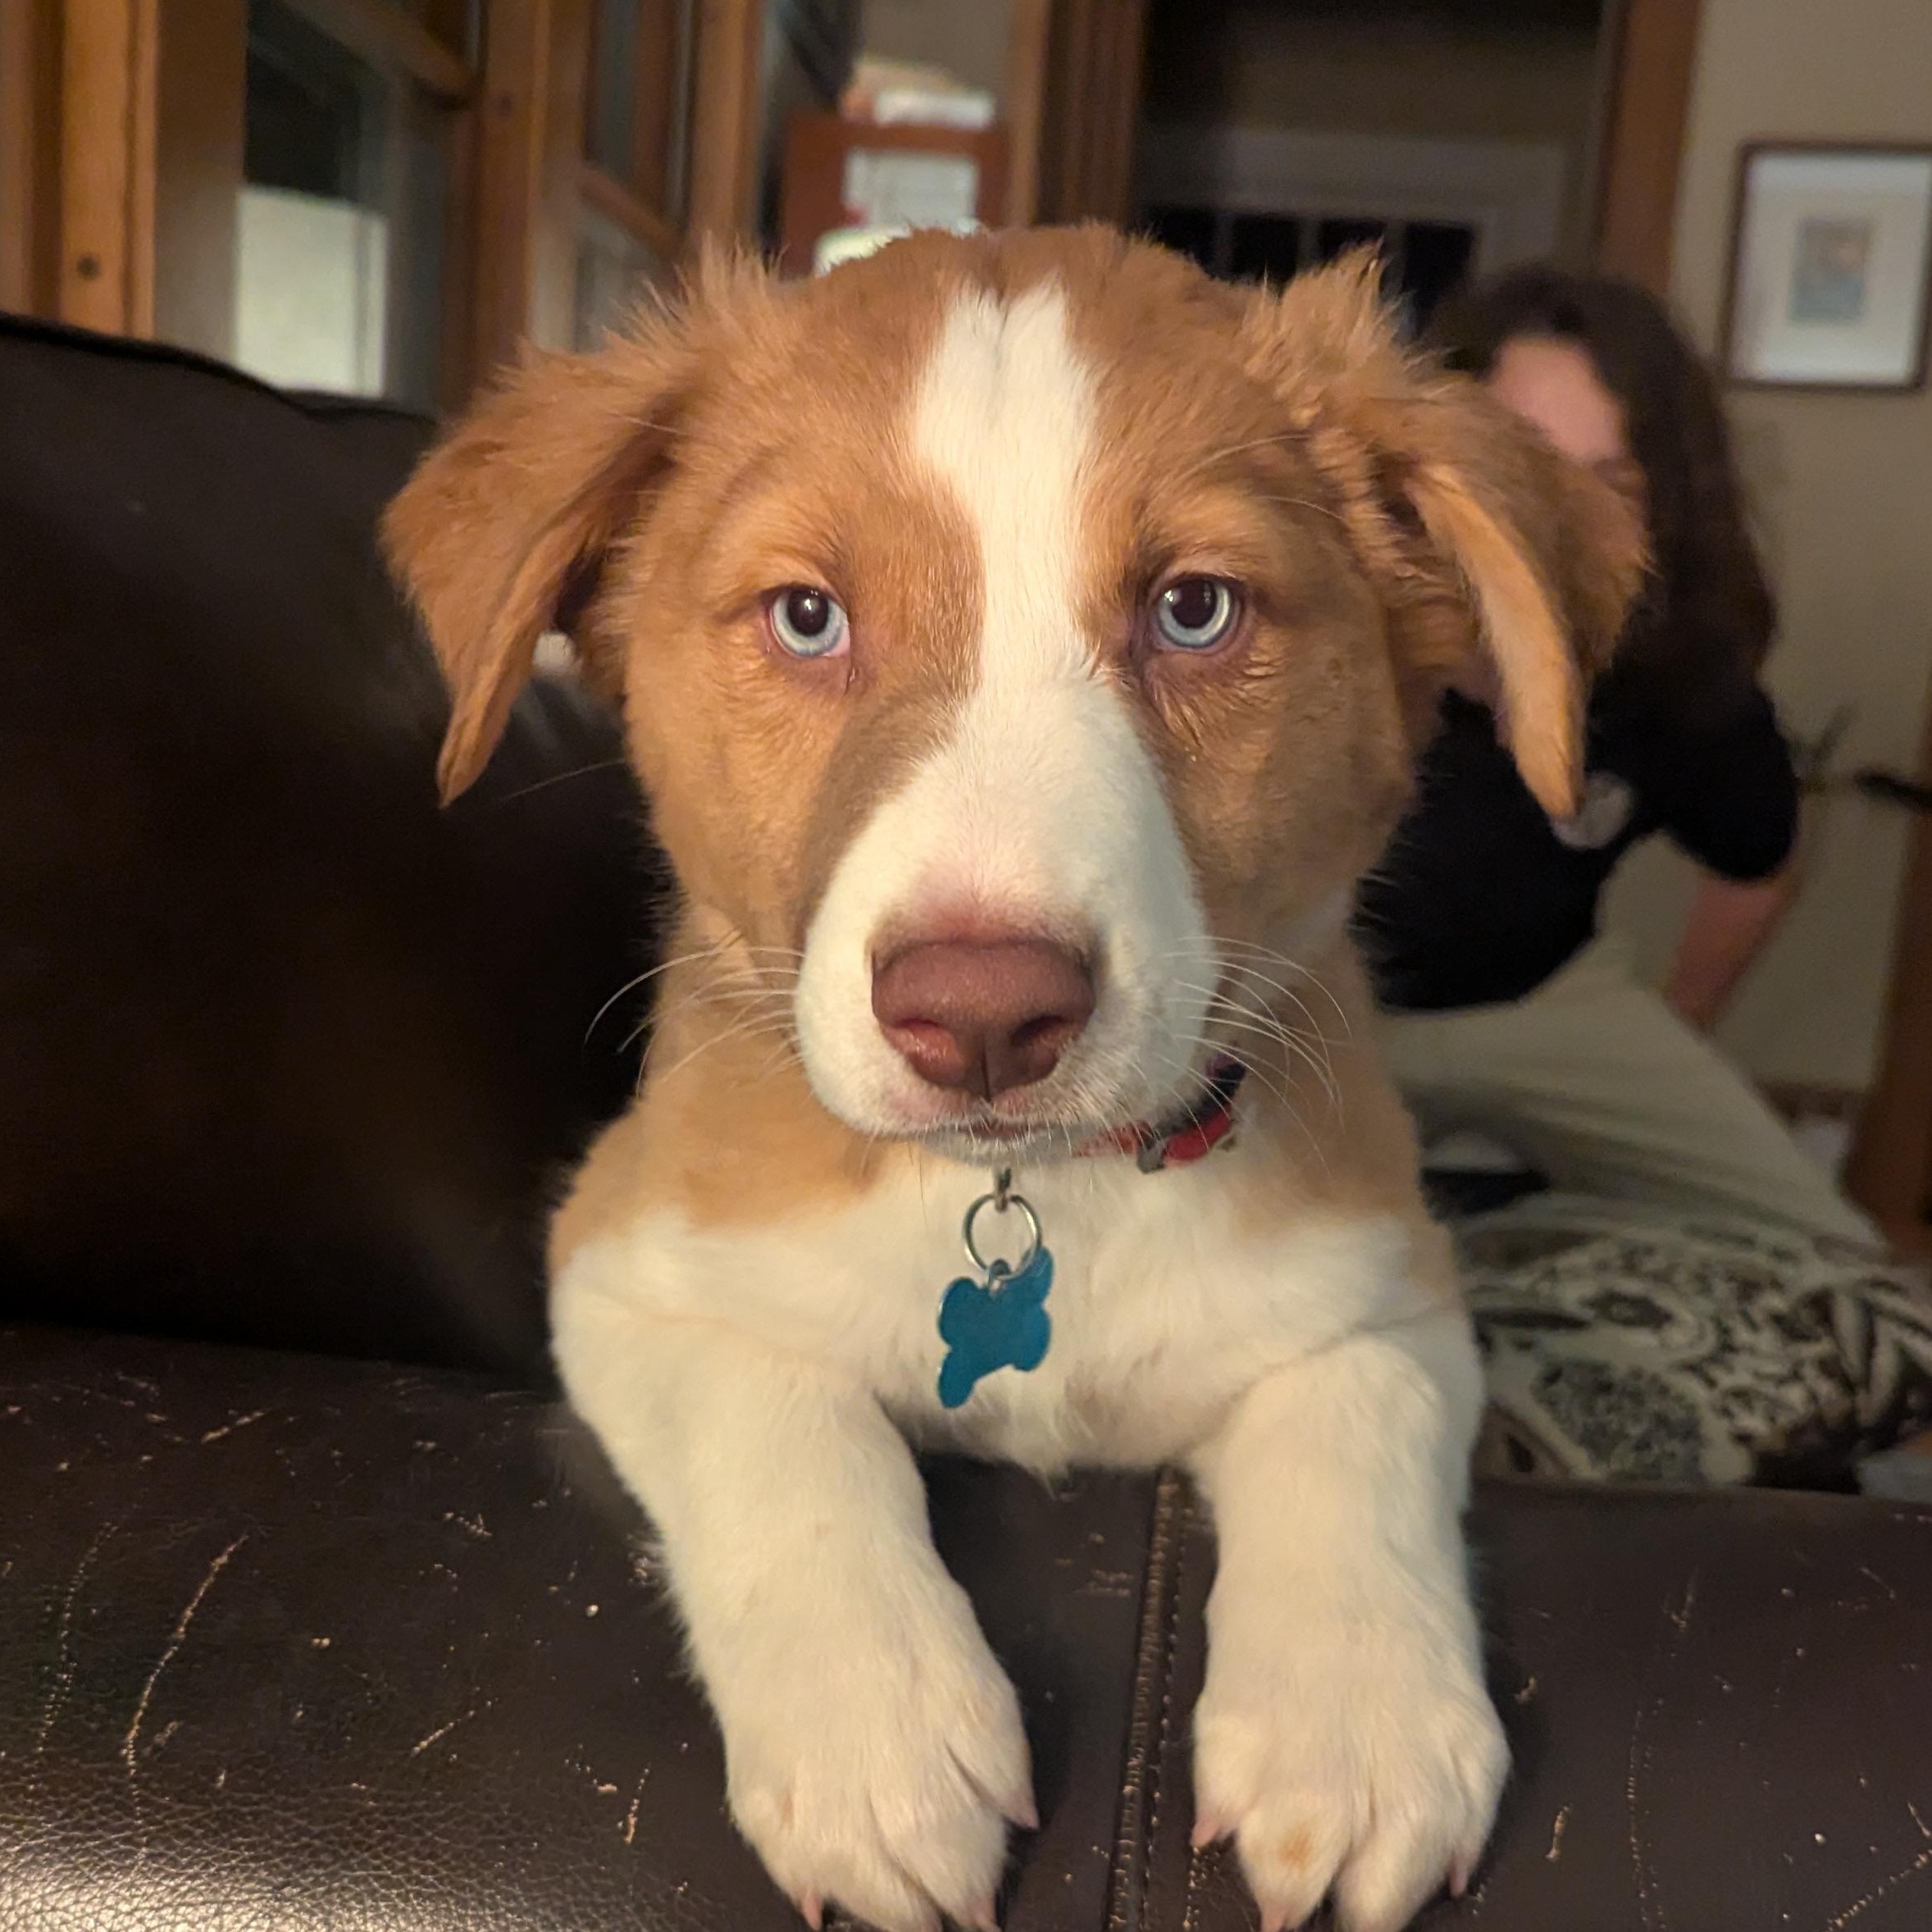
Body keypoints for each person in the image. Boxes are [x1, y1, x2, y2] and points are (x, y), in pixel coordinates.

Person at [1356, 264, 1874, 1243]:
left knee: (1827, 1250)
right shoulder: (1332, 607)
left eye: (1610, 484)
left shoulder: (1679, 669)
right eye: (1525, 465)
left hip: (1552, 1003)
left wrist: (1681, 1019)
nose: (1560, 525)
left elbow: (1758, 865)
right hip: (1330, 1008)